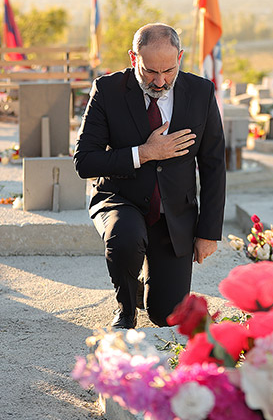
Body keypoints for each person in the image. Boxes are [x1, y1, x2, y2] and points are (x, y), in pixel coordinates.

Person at [74, 23, 226, 329]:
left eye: (168, 70)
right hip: (120, 199)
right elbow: (84, 162)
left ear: (180, 57)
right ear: (133, 58)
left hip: (174, 215)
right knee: (126, 239)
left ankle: (147, 285)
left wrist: (208, 232)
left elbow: (213, 165)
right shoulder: (107, 91)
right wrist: (143, 153)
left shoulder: (201, 92)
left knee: (165, 315)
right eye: (150, 72)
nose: (160, 81)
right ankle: (126, 309)